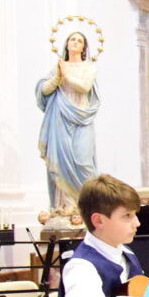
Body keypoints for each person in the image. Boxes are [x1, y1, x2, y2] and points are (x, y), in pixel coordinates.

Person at [36, 31, 100, 211]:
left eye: (80, 41)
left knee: (83, 160)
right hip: (60, 118)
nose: (75, 42)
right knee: (61, 161)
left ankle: (87, 205)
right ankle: (67, 205)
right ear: (67, 44)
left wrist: (66, 76)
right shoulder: (58, 67)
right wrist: (57, 78)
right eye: (72, 39)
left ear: (84, 48)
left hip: (82, 117)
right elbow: (44, 90)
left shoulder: (89, 67)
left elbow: (84, 86)